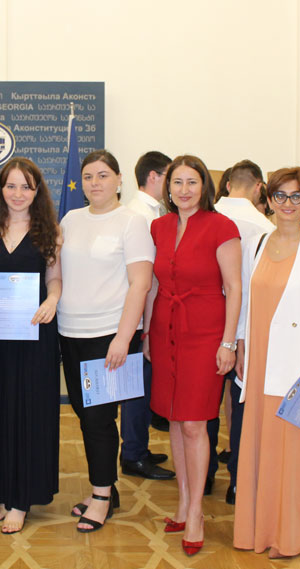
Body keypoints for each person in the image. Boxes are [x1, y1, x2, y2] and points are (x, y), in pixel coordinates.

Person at [233, 167, 300, 558]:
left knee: (297, 451)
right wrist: (241, 345)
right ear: (269, 200)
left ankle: (293, 536)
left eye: (297, 196)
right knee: (263, 447)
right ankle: (260, 530)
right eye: (280, 196)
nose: (288, 204)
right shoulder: (256, 244)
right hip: (261, 361)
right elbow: (246, 301)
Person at [144, 155, 241, 555]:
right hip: (165, 330)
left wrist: (228, 343)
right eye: (177, 182)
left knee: (194, 424)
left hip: (205, 334)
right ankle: (183, 503)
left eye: (192, 182)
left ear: (204, 186)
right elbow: (152, 284)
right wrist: (147, 332)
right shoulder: (159, 226)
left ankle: (197, 512)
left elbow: (235, 288)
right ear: (168, 188)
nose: (184, 190)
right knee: (174, 418)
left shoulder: (222, 226)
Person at [58, 149, 154, 532]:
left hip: (109, 337)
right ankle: (105, 486)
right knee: (85, 416)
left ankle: (100, 497)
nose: (94, 183)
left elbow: (140, 284)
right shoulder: (71, 219)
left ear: (118, 180)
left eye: (102, 175)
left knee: (99, 419)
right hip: (70, 333)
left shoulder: (132, 222)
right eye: (88, 177)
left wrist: (123, 338)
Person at [0, 158, 62, 534]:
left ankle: (21, 499)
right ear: (0, 189)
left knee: (29, 410)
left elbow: (54, 279)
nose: (18, 193)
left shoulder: (50, 230)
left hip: (34, 332)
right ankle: (2, 489)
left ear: (37, 191)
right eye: (11, 186)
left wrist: (52, 300)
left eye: (26, 186)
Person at [212, 159, 276, 505]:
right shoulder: (262, 226)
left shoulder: (206, 215)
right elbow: (249, 288)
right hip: (242, 329)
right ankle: (238, 480)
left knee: (204, 407)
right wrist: (240, 339)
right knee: (242, 406)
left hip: (205, 324)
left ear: (227, 184)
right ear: (258, 187)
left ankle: (204, 474)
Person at [121, 150, 175, 480]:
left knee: (143, 385)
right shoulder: (141, 216)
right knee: (135, 388)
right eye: (170, 177)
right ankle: (133, 454)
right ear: (153, 177)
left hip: (147, 313)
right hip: (140, 315)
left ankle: (138, 446)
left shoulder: (151, 212)